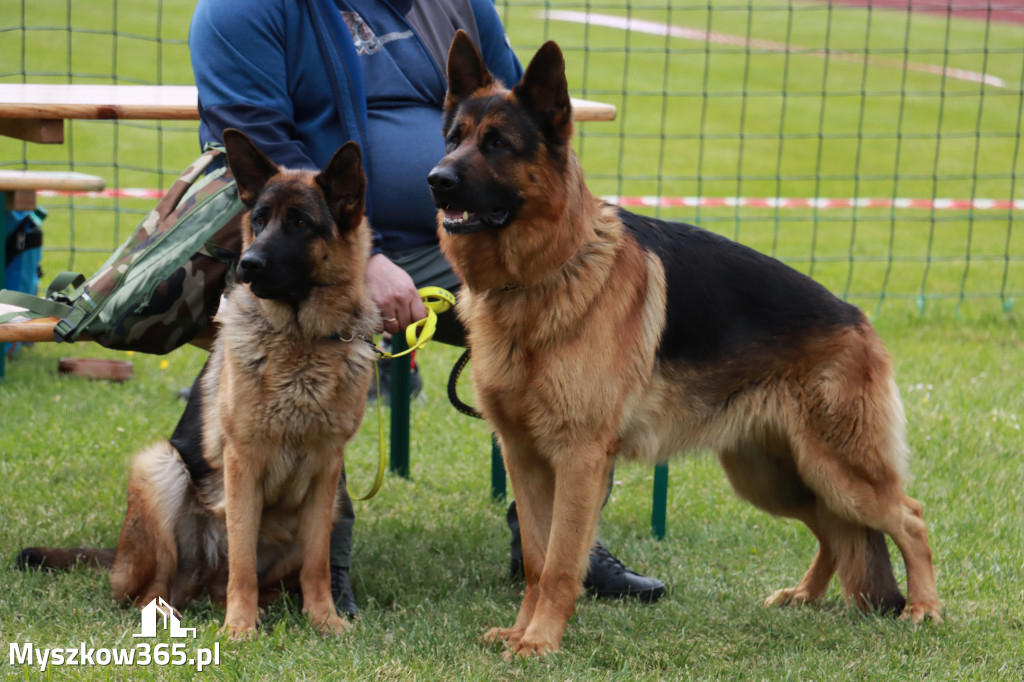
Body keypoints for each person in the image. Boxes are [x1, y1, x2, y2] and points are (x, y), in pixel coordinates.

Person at [182, 0, 665, 618]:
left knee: (578, 304)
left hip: (469, 240)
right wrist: (369, 256)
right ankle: (323, 568)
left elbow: (526, 126)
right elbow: (261, 156)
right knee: (310, 321)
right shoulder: (242, 11)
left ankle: (560, 544)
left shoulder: (458, 5)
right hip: (322, 247)